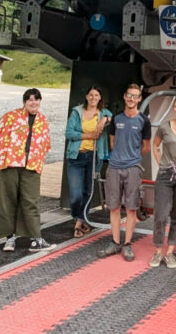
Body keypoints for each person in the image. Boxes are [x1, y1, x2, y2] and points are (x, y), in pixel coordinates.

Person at [0, 88, 56, 252]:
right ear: (24, 102)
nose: (33, 102)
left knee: (31, 201)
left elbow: (45, 145)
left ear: (40, 101)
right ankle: (10, 238)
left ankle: (35, 239)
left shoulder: (43, 121)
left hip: (32, 165)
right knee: (6, 201)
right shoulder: (10, 116)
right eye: (30, 99)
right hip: (9, 163)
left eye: (36, 99)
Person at [97, 83, 151, 261]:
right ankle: (114, 241)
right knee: (113, 206)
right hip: (114, 167)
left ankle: (127, 244)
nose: (131, 99)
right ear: (124, 97)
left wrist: (132, 156)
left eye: (135, 96)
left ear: (140, 99)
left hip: (133, 168)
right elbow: (112, 143)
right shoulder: (117, 119)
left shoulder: (144, 121)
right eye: (129, 95)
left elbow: (146, 147)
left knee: (131, 208)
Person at [149, 95, 176, 269]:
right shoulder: (164, 128)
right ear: (173, 109)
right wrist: (161, 163)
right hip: (166, 175)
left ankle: (170, 252)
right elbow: (155, 145)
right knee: (160, 214)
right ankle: (158, 250)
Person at [65, 85, 112, 237]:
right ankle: (78, 216)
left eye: (96, 95)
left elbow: (114, 118)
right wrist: (89, 135)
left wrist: (105, 119)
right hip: (77, 155)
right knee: (76, 194)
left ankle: (80, 222)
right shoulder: (77, 112)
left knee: (88, 190)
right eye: (91, 95)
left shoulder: (104, 113)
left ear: (100, 98)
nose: (93, 98)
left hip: (94, 156)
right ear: (86, 97)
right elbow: (69, 133)